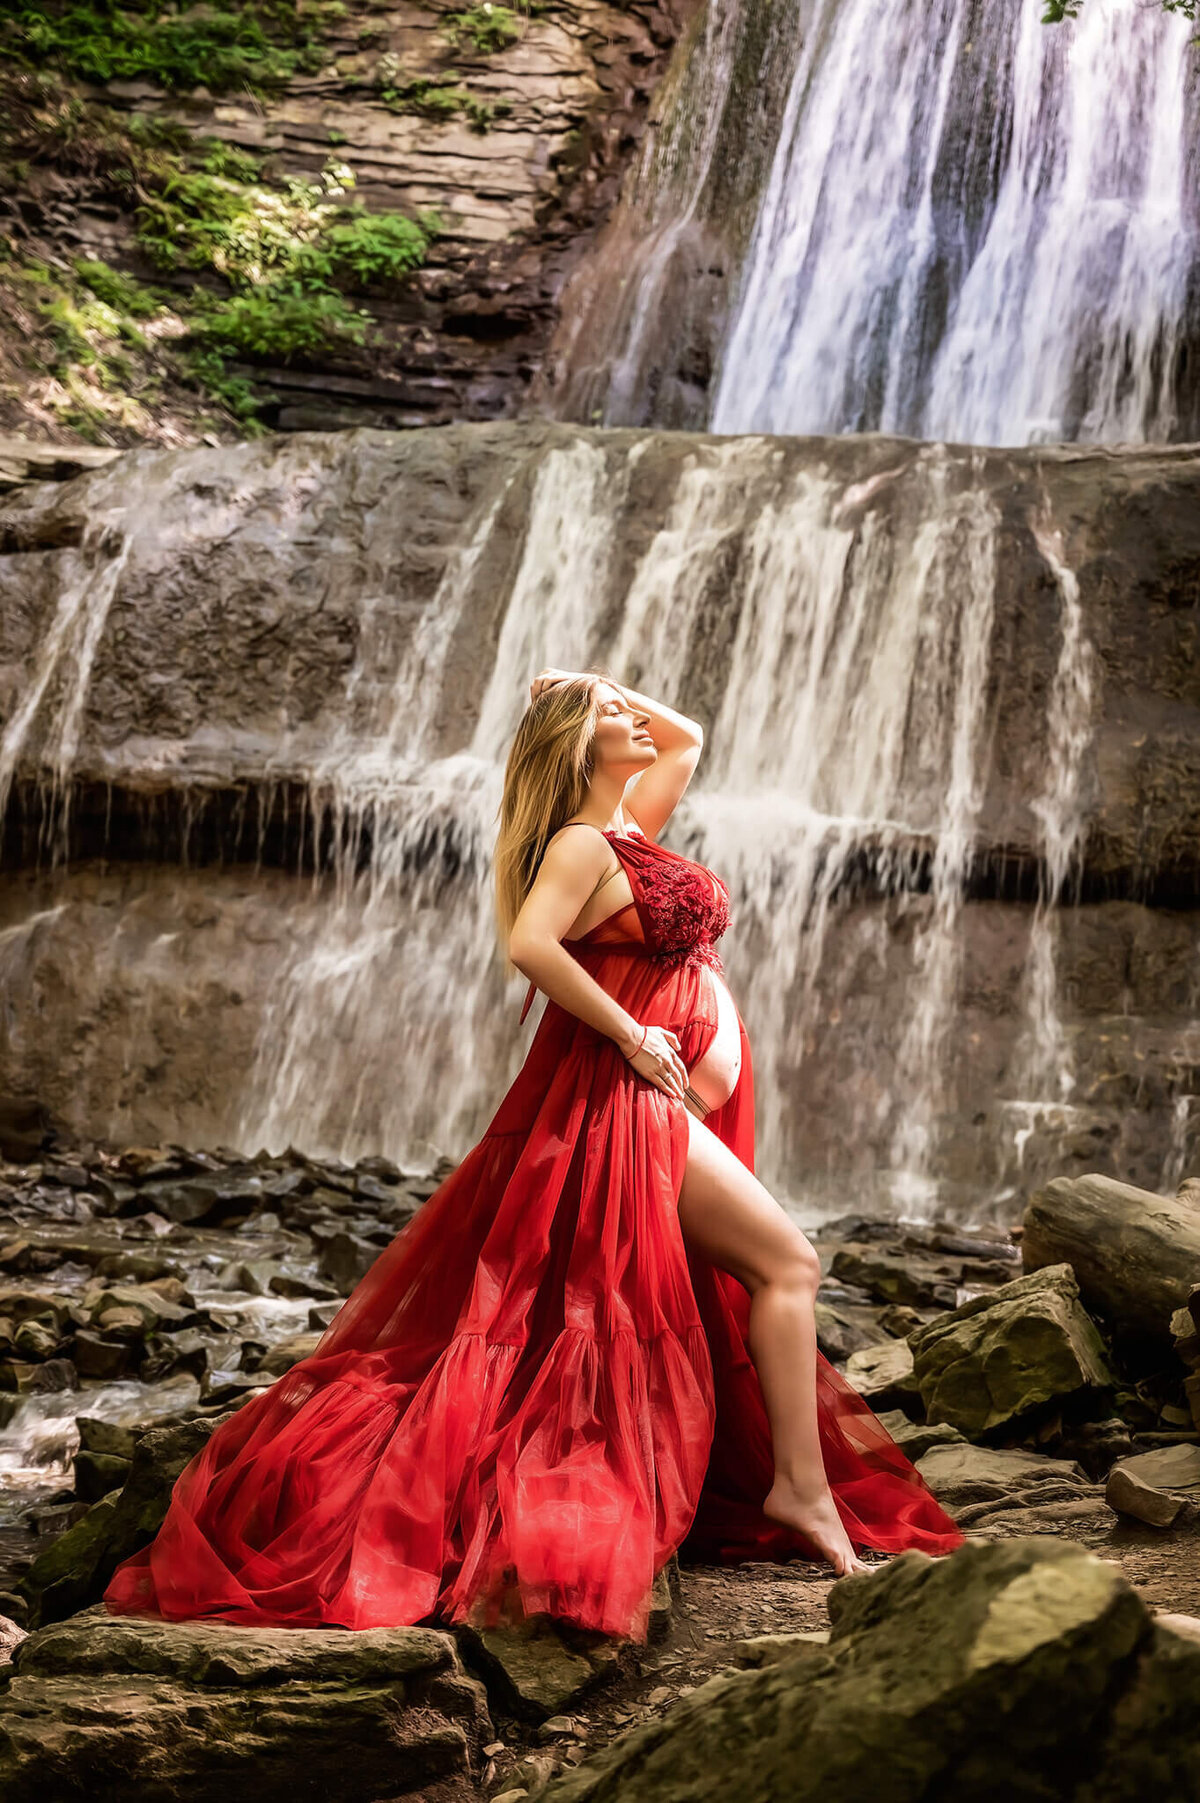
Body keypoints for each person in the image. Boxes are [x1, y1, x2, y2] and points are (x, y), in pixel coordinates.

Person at [102, 666, 963, 1642]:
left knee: (764, 1273)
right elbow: (530, 945)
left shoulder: (631, 823)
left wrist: (595, 683)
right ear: (574, 750)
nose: (633, 721)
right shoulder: (581, 843)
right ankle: (800, 1495)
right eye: (610, 718)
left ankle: (796, 1492)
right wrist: (634, 1037)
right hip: (626, 1107)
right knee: (788, 1264)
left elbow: (683, 736)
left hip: (663, 1105)